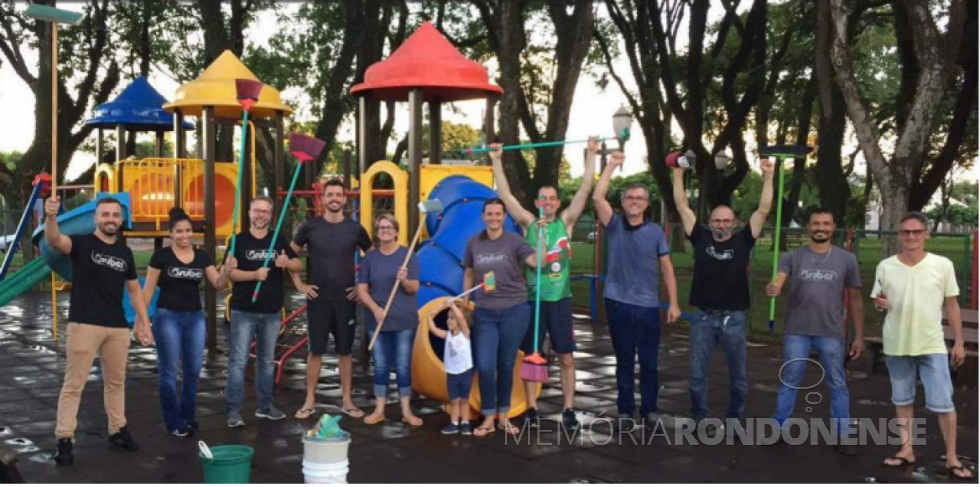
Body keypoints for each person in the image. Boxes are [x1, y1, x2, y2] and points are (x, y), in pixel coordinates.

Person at [489, 139, 596, 431]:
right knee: (531, 358)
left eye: (552, 198)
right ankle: (532, 409)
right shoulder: (528, 224)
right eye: (542, 199)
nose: (547, 202)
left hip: (560, 301)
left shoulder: (566, 222)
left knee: (566, 357)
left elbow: (585, 190)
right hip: (532, 301)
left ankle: (569, 409)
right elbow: (506, 196)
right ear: (536, 203)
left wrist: (591, 156)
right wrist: (497, 160)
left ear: (557, 202)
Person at [44, 196, 152, 466]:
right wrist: (50, 217)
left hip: (117, 326)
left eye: (115, 215)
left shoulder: (124, 253)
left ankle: (117, 431)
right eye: (106, 214)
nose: (111, 219)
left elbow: (134, 289)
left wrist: (144, 323)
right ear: (96, 217)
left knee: (116, 383)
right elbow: (55, 240)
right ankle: (64, 439)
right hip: (85, 323)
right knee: (74, 385)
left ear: (121, 219)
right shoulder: (81, 243)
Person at [671, 157, 774, 426]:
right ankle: (699, 418)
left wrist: (768, 176)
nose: (721, 224)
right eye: (717, 220)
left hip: (734, 319)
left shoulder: (744, 239)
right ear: (710, 222)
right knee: (696, 374)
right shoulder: (701, 236)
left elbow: (763, 209)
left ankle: (734, 419)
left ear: (734, 222)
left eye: (727, 220)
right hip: (704, 317)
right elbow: (682, 205)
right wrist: (679, 173)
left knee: (738, 376)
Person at [871, 212, 972, 480]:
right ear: (899, 235)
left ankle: (951, 456)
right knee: (902, 400)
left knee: (943, 404)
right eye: (906, 232)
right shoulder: (886, 266)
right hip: (896, 344)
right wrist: (879, 305)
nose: (911, 236)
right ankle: (907, 449)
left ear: (926, 234)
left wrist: (959, 341)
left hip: (932, 345)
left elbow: (952, 304)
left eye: (917, 231)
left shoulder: (942, 265)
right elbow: (878, 301)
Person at [765, 207, 864, 455]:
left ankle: (843, 434)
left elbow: (856, 299)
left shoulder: (846, 259)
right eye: (816, 223)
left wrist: (859, 336)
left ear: (833, 227)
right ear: (808, 227)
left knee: (837, 383)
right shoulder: (792, 256)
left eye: (826, 223)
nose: (821, 228)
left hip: (831, 332)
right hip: (797, 329)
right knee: (790, 380)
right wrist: (774, 288)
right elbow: (778, 280)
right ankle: (778, 428)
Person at [592, 151, 681, 426]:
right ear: (623, 202)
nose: (634, 202)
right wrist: (610, 164)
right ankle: (626, 410)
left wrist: (674, 303)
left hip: (647, 306)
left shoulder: (655, 232)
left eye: (639, 198)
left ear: (646, 204)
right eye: (630, 197)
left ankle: (650, 409)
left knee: (649, 362)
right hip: (617, 303)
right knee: (625, 361)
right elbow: (597, 197)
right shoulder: (614, 224)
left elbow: (667, 268)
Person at [141, 207, 235, 437]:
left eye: (188, 231)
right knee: (170, 371)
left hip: (194, 317)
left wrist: (227, 271)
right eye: (179, 231)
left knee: (193, 370)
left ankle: (187, 415)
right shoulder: (161, 256)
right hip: (167, 316)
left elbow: (218, 284)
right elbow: (148, 289)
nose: (185, 235)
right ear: (170, 233)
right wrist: (141, 321)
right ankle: (173, 421)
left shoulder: (202, 256)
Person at [291, 179, 372, 419]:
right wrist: (299, 284)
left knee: (345, 351)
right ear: (323, 199)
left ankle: (347, 400)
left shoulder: (355, 229)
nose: (334, 198)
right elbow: (287, 255)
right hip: (318, 299)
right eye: (330, 195)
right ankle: (310, 400)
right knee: (315, 350)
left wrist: (362, 286)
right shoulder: (310, 226)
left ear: (345, 199)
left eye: (339, 195)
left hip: (346, 299)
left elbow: (373, 258)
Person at [462, 198, 539, 437]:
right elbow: (469, 273)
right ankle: (487, 416)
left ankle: (503, 415)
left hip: (514, 310)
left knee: (506, 364)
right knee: (485, 365)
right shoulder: (474, 242)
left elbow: (537, 262)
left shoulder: (515, 241)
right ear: (483, 216)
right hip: (484, 312)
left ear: (504, 217)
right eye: (489, 214)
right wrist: (465, 307)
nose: (494, 218)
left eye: (498, 214)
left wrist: (544, 239)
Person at [224, 196, 302, 428]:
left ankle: (265, 406)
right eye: (257, 211)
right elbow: (230, 273)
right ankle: (234, 411)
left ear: (270, 215)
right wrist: (254, 275)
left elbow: (299, 265)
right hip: (243, 309)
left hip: (270, 310)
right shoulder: (238, 241)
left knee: (267, 362)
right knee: (238, 361)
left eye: (266, 212)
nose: (261, 215)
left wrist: (287, 262)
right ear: (249, 213)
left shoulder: (277, 239)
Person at [357, 214, 422, 426]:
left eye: (389, 227)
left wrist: (404, 280)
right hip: (378, 320)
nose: (385, 230)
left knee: (402, 365)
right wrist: (375, 308)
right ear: (377, 232)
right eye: (381, 227)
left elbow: (414, 289)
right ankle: (379, 410)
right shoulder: (370, 258)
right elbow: (362, 290)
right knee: (381, 365)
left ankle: (406, 411)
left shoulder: (407, 256)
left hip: (404, 320)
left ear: (396, 231)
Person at [427, 301, 474, 436]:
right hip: (452, 374)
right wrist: (429, 318)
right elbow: (434, 330)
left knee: (464, 400)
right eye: (448, 317)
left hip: (465, 373)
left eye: (452, 318)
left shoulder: (465, 333)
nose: (449, 320)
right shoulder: (447, 335)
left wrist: (452, 305)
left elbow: (461, 318)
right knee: (454, 400)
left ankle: (465, 422)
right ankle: (454, 423)